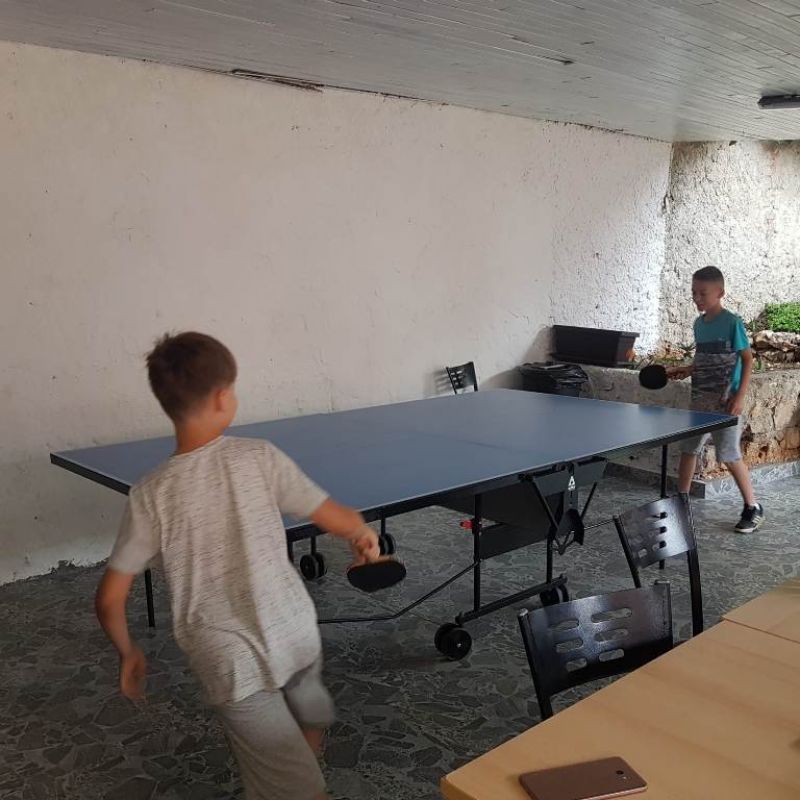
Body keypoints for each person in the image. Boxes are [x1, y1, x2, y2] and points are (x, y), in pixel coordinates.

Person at [94, 331, 380, 800]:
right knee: (309, 720)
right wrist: (362, 534)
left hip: (228, 660)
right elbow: (339, 519)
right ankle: (297, 774)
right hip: (294, 630)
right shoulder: (260, 457)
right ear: (223, 397)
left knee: (288, 758)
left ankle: (289, 776)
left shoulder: (150, 493)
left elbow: (109, 599)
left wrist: (128, 652)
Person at [668, 266, 764, 533]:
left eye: (703, 293)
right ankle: (680, 504)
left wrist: (739, 397)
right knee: (689, 449)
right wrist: (687, 369)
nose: (697, 298)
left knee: (729, 455)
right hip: (700, 400)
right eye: (693, 293)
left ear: (720, 293)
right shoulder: (699, 324)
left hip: (726, 402)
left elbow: (747, 359)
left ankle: (753, 507)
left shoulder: (732, 322)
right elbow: (703, 359)